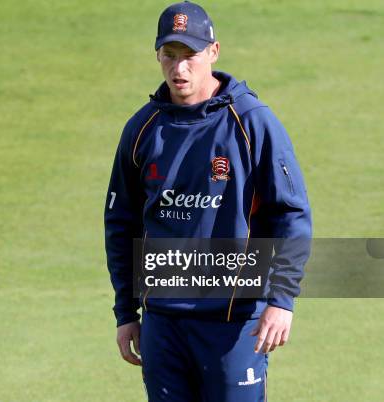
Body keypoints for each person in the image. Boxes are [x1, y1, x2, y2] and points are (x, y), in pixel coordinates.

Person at [103, 2, 312, 401]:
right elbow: (121, 224)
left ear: (213, 52)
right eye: (170, 56)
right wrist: (127, 313)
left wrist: (282, 300)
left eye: (190, 56)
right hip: (164, 323)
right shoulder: (142, 129)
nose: (179, 69)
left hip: (233, 322)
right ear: (158, 55)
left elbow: (291, 215)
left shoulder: (252, 121)